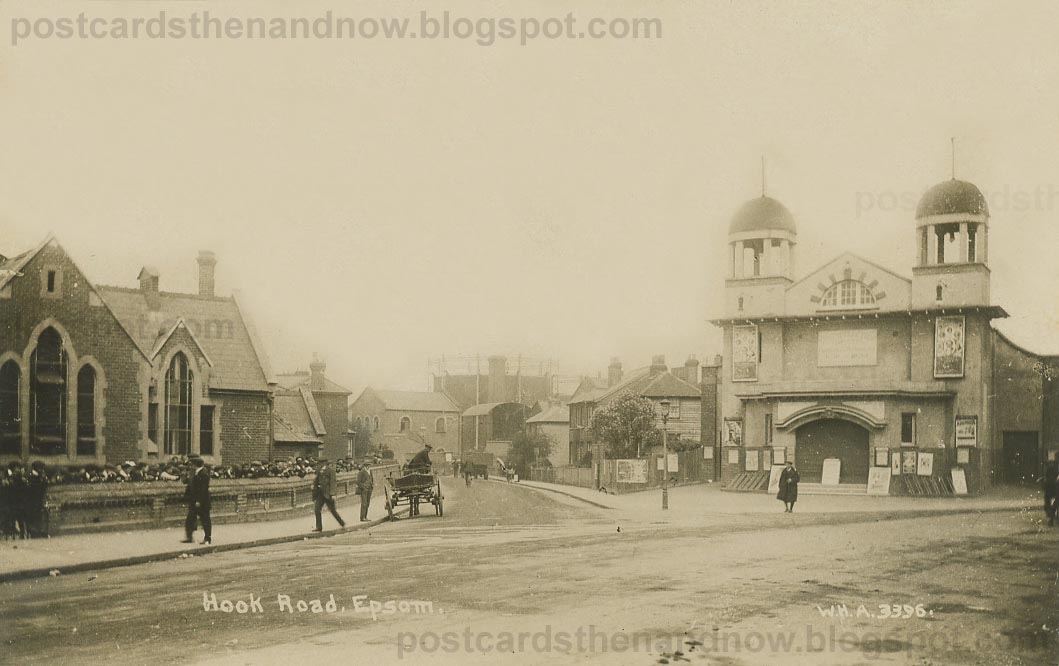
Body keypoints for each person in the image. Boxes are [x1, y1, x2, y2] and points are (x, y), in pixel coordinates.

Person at [182, 457, 212, 544]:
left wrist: (199, 501)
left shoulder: (204, 474)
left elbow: (203, 489)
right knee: (190, 519)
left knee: (205, 520)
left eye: (191, 464)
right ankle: (189, 537)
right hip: (193, 501)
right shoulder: (194, 473)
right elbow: (189, 484)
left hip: (202, 502)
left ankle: (207, 538)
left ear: (195, 465)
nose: (190, 466)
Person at [312, 457, 346, 531]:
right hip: (320, 494)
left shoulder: (330, 471)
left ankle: (342, 523)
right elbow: (316, 481)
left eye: (320, 463)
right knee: (317, 509)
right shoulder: (318, 471)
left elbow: (333, 482)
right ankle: (319, 527)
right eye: (319, 463)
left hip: (328, 494)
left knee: (333, 510)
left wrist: (332, 494)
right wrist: (314, 488)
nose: (319, 464)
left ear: (324, 463)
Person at [26, 461, 48, 538]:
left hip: (37, 499)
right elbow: (36, 488)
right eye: (41, 468)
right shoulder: (32, 476)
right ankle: (34, 532)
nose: (42, 470)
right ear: (37, 468)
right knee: (33, 515)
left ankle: (38, 532)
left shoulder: (39, 476)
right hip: (32, 499)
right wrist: (42, 480)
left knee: (37, 514)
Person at [1043, 461, 1058, 527]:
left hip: (1051, 489)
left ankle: (1051, 518)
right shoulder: (1054, 470)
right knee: (1055, 504)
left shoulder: (1050, 471)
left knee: (1049, 503)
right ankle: (1052, 517)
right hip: (1054, 489)